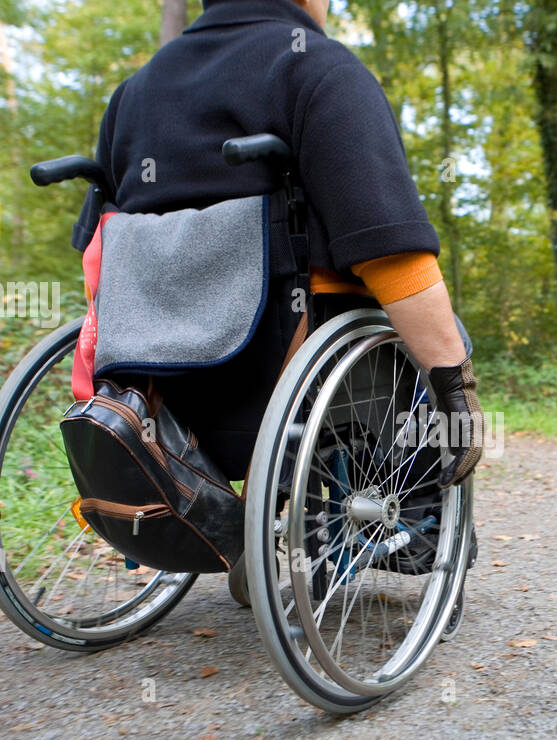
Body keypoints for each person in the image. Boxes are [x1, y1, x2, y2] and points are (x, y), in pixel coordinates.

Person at [72, 0, 481, 488]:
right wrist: (456, 385)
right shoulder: (317, 68)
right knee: (443, 334)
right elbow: (390, 249)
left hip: (158, 380)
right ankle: (417, 530)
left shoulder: (134, 93)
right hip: (286, 367)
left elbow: (99, 252)